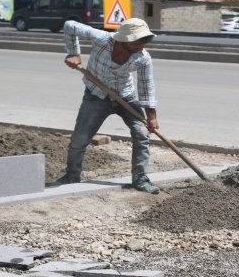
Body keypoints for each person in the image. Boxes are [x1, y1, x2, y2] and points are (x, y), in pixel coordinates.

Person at [49, 18, 160, 194]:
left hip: (126, 98)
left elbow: (146, 86)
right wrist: (73, 53)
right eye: (139, 41)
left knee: (141, 133)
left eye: (145, 40)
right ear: (125, 38)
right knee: (80, 139)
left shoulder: (143, 57)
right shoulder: (102, 39)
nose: (142, 45)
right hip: (96, 96)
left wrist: (152, 117)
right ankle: (72, 176)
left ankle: (140, 177)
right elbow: (69, 26)